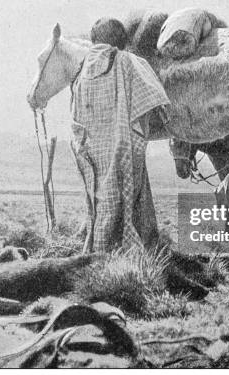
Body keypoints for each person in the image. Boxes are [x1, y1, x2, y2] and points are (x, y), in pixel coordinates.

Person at [71, 18, 171, 253]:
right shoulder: (126, 60)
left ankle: (100, 252)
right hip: (123, 148)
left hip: (91, 154)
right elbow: (155, 99)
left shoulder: (82, 68)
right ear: (120, 40)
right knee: (129, 202)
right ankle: (134, 256)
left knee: (100, 203)